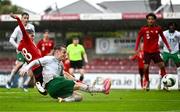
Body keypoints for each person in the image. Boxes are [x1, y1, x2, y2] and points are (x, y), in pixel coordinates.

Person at [20, 46, 111, 102]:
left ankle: (63, 100)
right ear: (57, 52)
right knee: (78, 86)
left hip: (54, 91)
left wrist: (74, 79)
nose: (65, 55)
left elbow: (64, 76)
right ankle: (103, 89)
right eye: (64, 53)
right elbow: (35, 62)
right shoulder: (49, 58)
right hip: (53, 84)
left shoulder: (61, 65)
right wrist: (26, 68)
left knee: (79, 97)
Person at [9, 13, 46, 94]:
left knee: (36, 76)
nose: (33, 37)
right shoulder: (24, 37)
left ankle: (32, 85)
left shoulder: (21, 46)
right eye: (31, 35)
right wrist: (18, 19)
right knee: (47, 75)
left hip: (33, 63)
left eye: (33, 35)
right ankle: (10, 81)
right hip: (36, 62)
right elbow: (22, 30)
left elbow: (25, 46)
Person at [135, 13, 171, 91]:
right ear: (147, 20)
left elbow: (163, 38)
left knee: (162, 66)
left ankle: (165, 84)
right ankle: (147, 82)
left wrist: (168, 47)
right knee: (145, 67)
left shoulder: (158, 28)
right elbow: (138, 37)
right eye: (149, 19)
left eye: (152, 19)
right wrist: (136, 48)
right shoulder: (143, 29)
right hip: (147, 52)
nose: (150, 20)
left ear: (154, 20)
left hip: (155, 51)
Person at [6, 12, 35, 91]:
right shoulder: (18, 28)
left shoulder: (31, 27)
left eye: (27, 18)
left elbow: (32, 39)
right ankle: (9, 81)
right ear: (21, 18)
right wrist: (18, 47)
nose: (26, 19)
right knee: (19, 65)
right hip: (21, 50)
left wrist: (34, 48)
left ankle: (25, 85)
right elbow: (11, 39)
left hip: (29, 50)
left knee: (33, 66)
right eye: (24, 18)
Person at [159, 22, 180, 90]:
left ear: (175, 27)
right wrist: (159, 48)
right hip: (166, 51)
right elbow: (159, 42)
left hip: (175, 52)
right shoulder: (164, 33)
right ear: (168, 26)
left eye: (173, 26)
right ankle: (161, 85)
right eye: (170, 26)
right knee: (161, 66)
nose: (172, 27)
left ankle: (179, 85)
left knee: (179, 67)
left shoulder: (178, 34)